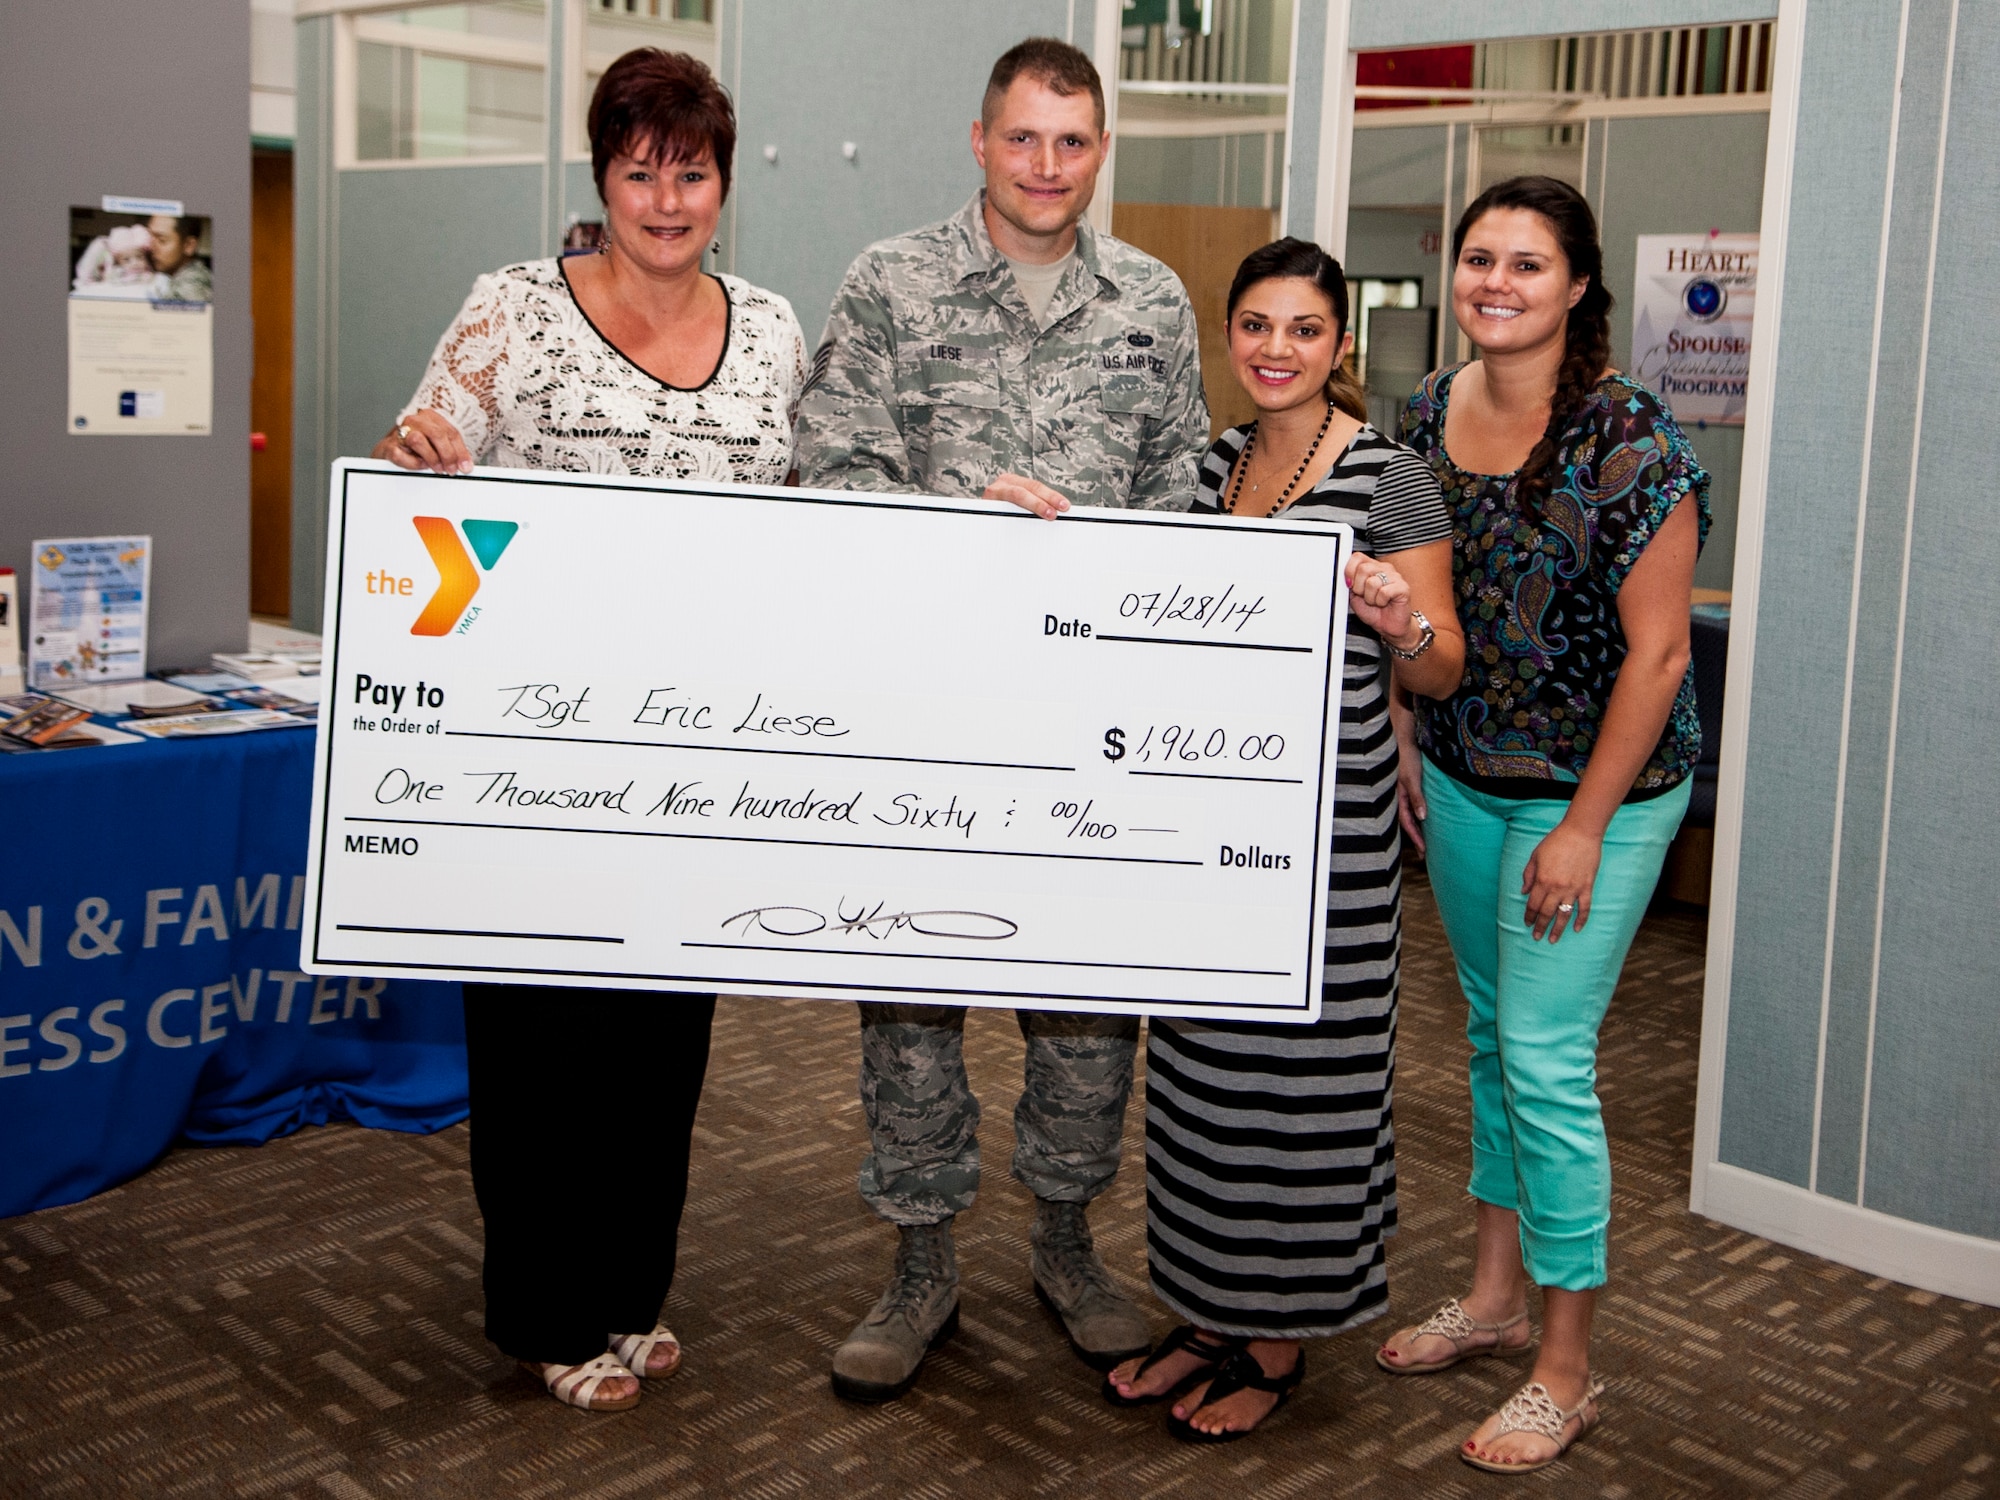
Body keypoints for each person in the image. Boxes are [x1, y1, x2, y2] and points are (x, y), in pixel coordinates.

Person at [372, 47, 808, 1413]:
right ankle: (548, 1318)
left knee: (659, 1048)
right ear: (602, 177)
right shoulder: (514, 309)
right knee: (538, 1048)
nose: (666, 200)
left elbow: (817, 520)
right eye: (639, 171)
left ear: (724, 185)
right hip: (533, 757)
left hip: (692, 761)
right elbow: (431, 439)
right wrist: (424, 449)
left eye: (691, 172)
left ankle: (630, 1291)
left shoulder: (779, 332)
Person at [794, 36, 1210, 1403]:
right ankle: (919, 1266)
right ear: (980, 141)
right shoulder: (891, 283)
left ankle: (1065, 1247)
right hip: (921, 714)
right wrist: (955, 525)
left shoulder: (1151, 301)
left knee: (1088, 1013)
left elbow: (1187, 503)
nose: (1047, 167)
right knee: (911, 1002)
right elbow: (832, 473)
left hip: (1086, 730)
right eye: (1024, 139)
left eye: (1073, 142)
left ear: (1101, 152)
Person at [1099, 240, 1462, 1441]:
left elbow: (1445, 664)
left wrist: (1400, 621)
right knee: (1202, 1085)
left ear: (1338, 344)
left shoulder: (1389, 478)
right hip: (1209, 828)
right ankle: (1206, 1313)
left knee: (1304, 1086)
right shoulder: (1207, 470)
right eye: (1254, 325)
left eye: (1301, 330)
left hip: (1330, 843)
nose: (1273, 349)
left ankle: (1276, 1341)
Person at [1375, 175, 1706, 1474]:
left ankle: (1567, 1370)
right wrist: (1411, 743)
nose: (1495, 283)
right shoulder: (1422, 419)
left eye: (1527, 263)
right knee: (1495, 1041)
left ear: (1578, 286)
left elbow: (1664, 656)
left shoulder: (1631, 442)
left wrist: (1581, 824)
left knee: (1549, 1059)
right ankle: (1497, 1298)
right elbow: (1420, 614)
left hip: (1605, 796)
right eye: (1477, 260)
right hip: (1462, 773)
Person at [146, 215, 211, 303]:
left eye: (162, 240)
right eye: (149, 238)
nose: (150, 247)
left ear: (189, 245)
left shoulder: (190, 289)